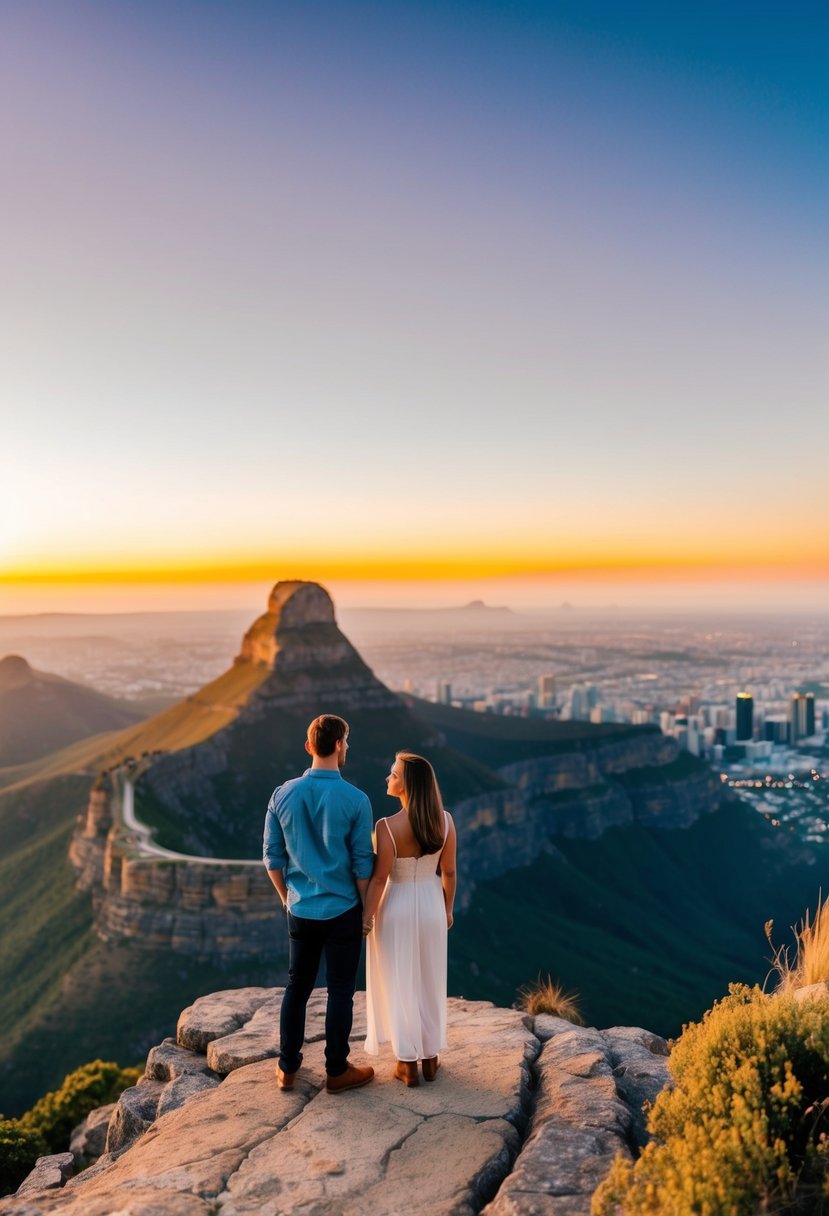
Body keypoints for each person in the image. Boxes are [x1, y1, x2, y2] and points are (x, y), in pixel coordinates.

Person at [263, 713, 375, 1094]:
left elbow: (272, 858)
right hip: (343, 909)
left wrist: (286, 898)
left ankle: (287, 1068)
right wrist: (366, 909)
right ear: (340, 745)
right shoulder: (357, 800)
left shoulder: (282, 794)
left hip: (300, 910)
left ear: (309, 746)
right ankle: (337, 1070)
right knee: (340, 989)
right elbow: (363, 863)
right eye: (347, 743)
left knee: (297, 986)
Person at [362, 751, 457, 1086]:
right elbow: (449, 871)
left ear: (407, 785)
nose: (388, 778)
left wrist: (366, 917)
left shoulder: (386, 827)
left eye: (394, 774)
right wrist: (446, 909)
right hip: (431, 903)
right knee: (429, 979)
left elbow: (378, 878)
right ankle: (430, 1058)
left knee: (399, 980)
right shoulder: (445, 821)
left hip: (396, 904)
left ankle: (406, 1063)